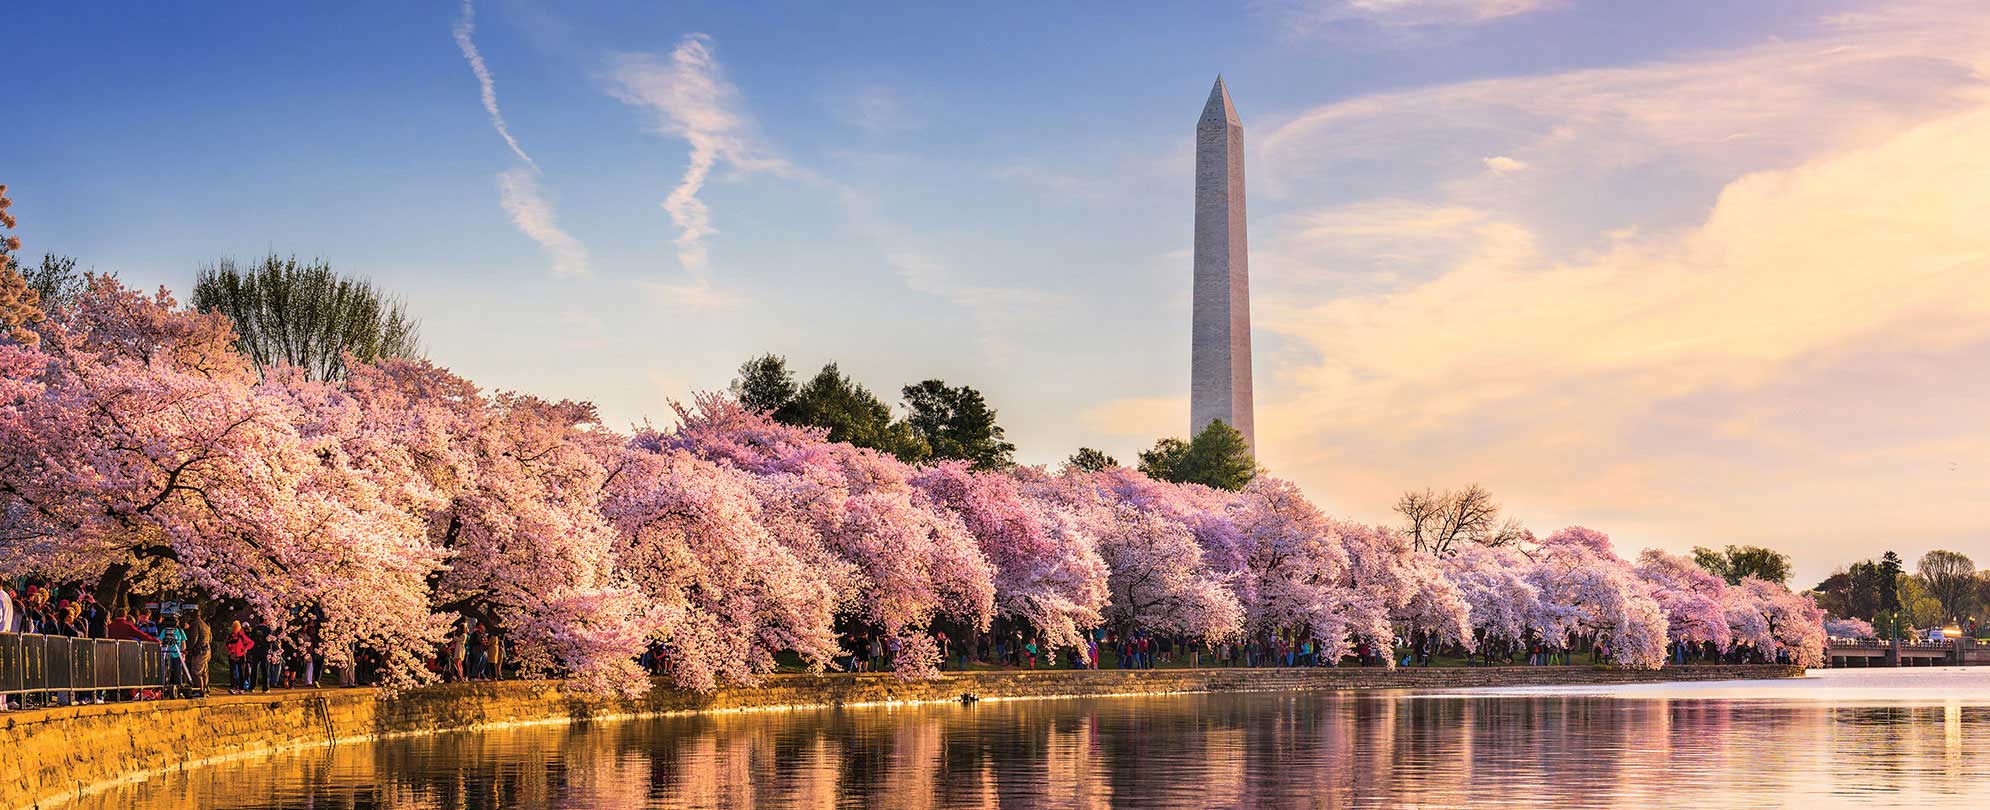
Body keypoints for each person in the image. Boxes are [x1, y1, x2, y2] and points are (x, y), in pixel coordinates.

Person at [159, 616, 191, 698]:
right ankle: (164, 687)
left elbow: (183, 642)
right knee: (166, 671)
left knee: (177, 671)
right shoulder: (164, 631)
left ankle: (179, 688)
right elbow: (161, 641)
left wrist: (183, 653)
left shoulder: (180, 631)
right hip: (167, 653)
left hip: (177, 654)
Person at [226, 621, 254, 694]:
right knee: (233, 672)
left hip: (240, 655)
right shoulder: (230, 636)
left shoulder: (241, 635)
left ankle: (241, 688)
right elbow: (227, 645)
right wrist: (230, 652)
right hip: (232, 656)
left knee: (241, 672)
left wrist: (245, 649)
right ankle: (233, 687)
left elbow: (251, 643)